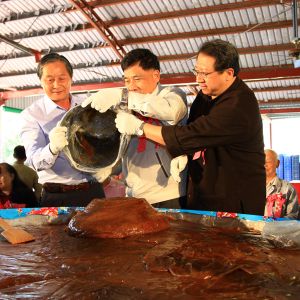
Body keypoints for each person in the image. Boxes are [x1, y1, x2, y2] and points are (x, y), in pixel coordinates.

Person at [115, 39, 266, 215]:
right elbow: (191, 127)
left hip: (233, 199)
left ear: (228, 73)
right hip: (203, 193)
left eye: (205, 73)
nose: (198, 79)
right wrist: (184, 154)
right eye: (196, 71)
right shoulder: (205, 96)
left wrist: (140, 128)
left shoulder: (239, 105)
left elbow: (192, 134)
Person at [82, 48, 188, 208]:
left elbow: (170, 111)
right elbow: (119, 147)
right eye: (126, 80)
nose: (131, 86)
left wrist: (123, 96)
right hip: (135, 194)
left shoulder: (172, 95)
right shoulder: (125, 106)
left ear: (156, 75)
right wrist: (105, 167)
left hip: (169, 193)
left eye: (137, 79)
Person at [20, 53, 105, 207]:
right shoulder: (32, 114)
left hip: (93, 191)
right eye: (50, 79)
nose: (56, 85)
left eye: (62, 78)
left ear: (71, 78)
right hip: (57, 197)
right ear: (41, 81)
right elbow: (33, 161)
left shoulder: (87, 106)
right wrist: (52, 148)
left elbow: (103, 141)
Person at [264, 149, 299, 219]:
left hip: (277, 229)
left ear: (277, 163)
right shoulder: (251, 187)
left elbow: (293, 217)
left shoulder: (288, 189)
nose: (264, 165)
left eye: (268, 162)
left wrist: (275, 223)